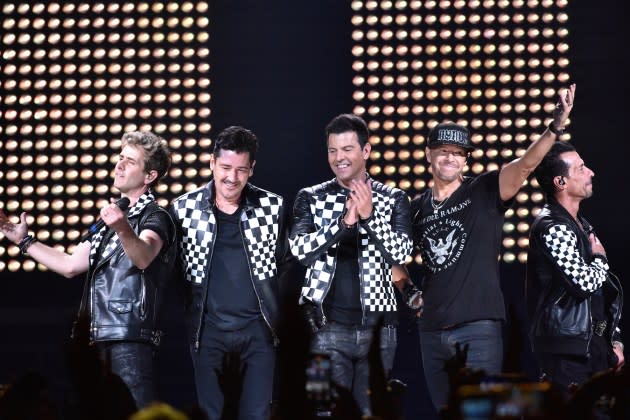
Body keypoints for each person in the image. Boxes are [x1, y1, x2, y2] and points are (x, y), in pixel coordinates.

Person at [410, 83, 576, 412]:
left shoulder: (484, 189)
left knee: (480, 413)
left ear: (466, 160)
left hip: (478, 327)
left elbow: (526, 164)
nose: (449, 158)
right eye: (442, 150)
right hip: (430, 331)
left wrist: (553, 128)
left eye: (457, 153)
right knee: (445, 414)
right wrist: (409, 294)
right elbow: (391, 255)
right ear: (429, 154)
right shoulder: (416, 207)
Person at [0, 131, 176, 409]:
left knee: (133, 413)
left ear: (149, 176)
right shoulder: (110, 218)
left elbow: (143, 256)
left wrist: (121, 227)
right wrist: (23, 241)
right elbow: (70, 265)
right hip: (96, 336)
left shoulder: (155, 216)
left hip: (127, 337)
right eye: (120, 158)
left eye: (129, 161)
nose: (119, 165)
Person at [289, 113, 413, 416]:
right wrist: (344, 222)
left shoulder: (394, 198)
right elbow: (301, 252)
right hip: (323, 329)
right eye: (332, 150)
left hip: (379, 332)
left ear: (366, 151)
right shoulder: (310, 197)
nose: (338, 158)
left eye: (346, 150)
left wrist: (370, 216)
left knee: (373, 411)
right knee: (323, 412)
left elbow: (402, 252)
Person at [169, 126, 288, 420]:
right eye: (225, 167)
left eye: (241, 170)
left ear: (252, 169)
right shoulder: (184, 209)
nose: (232, 178)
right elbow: (173, 272)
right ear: (212, 163)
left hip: (258, 333)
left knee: (257, 413)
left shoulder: (273, 207)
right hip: (208, 333)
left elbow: (285, 265)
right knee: (213, 414)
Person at [526, 141, 624, 399]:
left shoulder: (580, 225)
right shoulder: (553, 227)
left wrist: (614, 341)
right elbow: (584, 283)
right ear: (561, 182)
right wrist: (600, 259)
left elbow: (601, 296)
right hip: (567, 352)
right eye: (580, 169)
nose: (590, 172)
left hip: (592, 348)